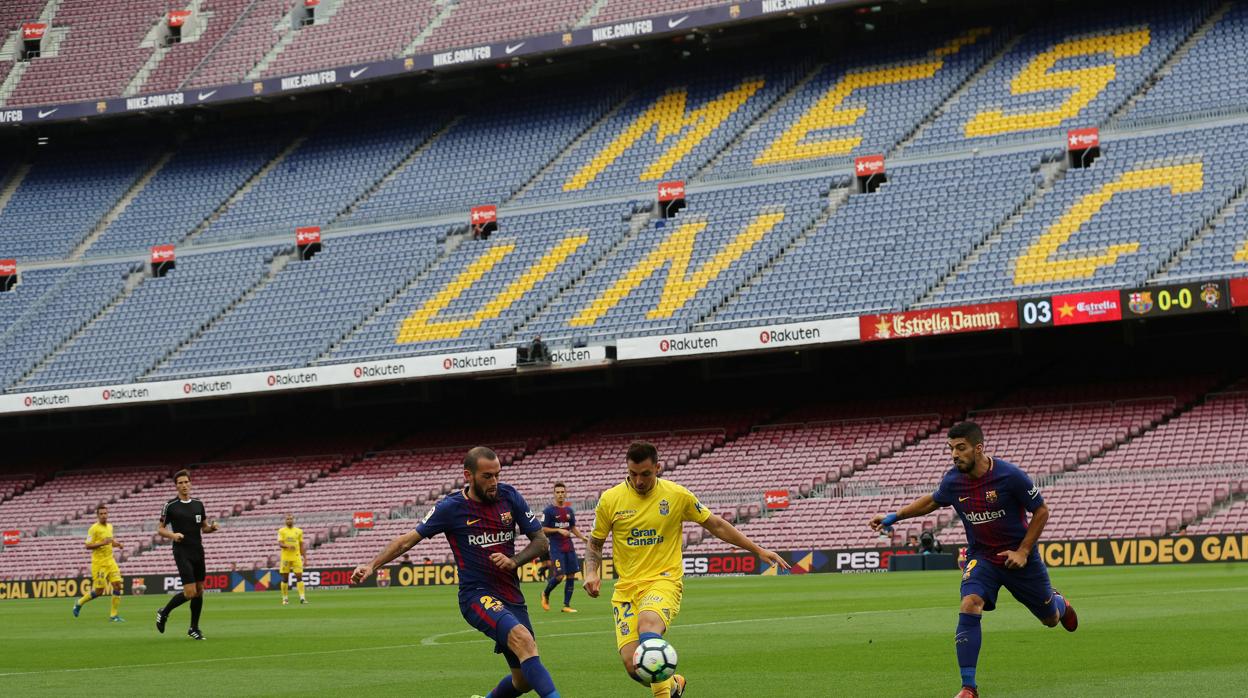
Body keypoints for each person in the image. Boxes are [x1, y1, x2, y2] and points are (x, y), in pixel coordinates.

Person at [869, 422, 1078, 698]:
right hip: (982, 558)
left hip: (1019, 560)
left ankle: (1060, 603)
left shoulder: (1010, 476)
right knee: (970, 603)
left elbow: (1041, 511)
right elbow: (932, 501)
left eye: (961, 448)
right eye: (951, 449)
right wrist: (893, 516)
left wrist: (1023, 552)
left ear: (978, 448)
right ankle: (968, 688)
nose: (955, 454)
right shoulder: (953, 480)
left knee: (1050, 619)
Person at [583, 441, 791, 698]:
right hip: (626, 589)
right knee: (633, 665)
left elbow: (715, 524)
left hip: (664, 581)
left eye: (645, 474)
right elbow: (595, 543)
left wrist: (757, 549)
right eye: (633, 474)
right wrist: (591, 572)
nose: (638, 481)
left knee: (647, 625)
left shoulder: (677, 495)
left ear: (657, 468)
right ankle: (673, 685)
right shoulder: (610, 500)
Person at [351, 446, 561, 698]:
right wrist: (372, 565)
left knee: (524, 680)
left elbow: (541, 541)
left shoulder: (510, 497)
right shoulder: (451, 507)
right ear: (468, 476)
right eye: (487, 476)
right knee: (524, 640)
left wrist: (514, 561)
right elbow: (407, 541)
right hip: (476, 595)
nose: (494, 482)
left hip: (511, 595)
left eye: (497, 474)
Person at [155, 469, 219, 640]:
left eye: (186, 482)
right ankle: (164, 611)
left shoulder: (198, 504)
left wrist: (211, 529)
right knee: (190, 592)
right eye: (180, 483)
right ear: (176, 486)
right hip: (182, 551)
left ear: (190, 483)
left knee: (199, 591)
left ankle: (194, 628)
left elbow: (203, 527)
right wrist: (173, 535)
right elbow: (160, 529)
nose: (184, 485)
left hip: (198, 550)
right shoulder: (170, 506)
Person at [73, 504, 125, 622]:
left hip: (110, 561)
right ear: (97, 515)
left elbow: (110, 541)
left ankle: (113, 615)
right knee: (99, 591)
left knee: (117, 585)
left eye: (105, 513)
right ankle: (79, 602)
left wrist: (118, 544)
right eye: (101, 514)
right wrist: (102, 543)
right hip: (99, 564)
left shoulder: (110, 527)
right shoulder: (93, 529)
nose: (103, 516)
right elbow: (87, 545)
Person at [541, 482, 587, 613]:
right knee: (560, 576)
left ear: (566, 493)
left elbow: (572, 527)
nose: (560, 494)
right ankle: (545, 593)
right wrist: (558, 530)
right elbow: (543, 529)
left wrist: (582, 537)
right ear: (554, 494)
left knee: (571, 575)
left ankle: (566, 605)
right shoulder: (548, 511)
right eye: (558, 492)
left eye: (562, 492)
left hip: (569, 547)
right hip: (556, 548)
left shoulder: (569, 511)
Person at [278, 513, 308, 605]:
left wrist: (305, 558)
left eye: (290, 519)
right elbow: (280, 544)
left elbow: (301, 545)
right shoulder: (281, 531)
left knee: (299, 576)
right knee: (285, 579)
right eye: (287, 519)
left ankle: (302, 598)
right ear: (285, 521)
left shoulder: (299, 531)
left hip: (296, 557)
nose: (289, 520)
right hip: (286, 558)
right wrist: (288, 546)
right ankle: (285, 598)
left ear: (293, 520)